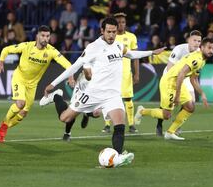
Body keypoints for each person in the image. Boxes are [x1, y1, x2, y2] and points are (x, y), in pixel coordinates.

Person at [40, 17, 165, 166]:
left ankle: (117, 157)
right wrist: (53, 84)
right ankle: (56, 97)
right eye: (109, 32)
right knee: (65, 118)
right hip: (92, 93)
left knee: (120, 124)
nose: (112, 35)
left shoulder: (118, 45)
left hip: (112, 95)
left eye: (114, 32)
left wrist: (152, 52)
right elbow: (74, 66)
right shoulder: (93, 47)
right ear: (102, 31)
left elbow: (131, 54)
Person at [0, 25, 74, 143]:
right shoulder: (27, 46)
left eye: (47, 36)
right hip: (19, 78)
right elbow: (6, 50)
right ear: (37, 36)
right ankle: (4, 126)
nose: (45, 38)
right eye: (43, 36)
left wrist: (71, 76)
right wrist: (1, 62)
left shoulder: (51, 51)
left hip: (32, 85)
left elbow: (68, 65)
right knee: (20, 103)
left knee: (23, 113)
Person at [134, 37, 213, 141]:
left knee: (190, 107)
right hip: (170, 82)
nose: (211, 51)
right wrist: (177, 96)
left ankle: (170, 133)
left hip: (177, 82)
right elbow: (181, 74)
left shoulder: (202, 60)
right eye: (209, 48)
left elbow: (193, 79)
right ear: (202, 47)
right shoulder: (196, 59)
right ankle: (142, 111)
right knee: (166, 115)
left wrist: (202, 94)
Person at [155, 30, 202, 136]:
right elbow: (170, 67)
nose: (196, 43)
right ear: (189, 40)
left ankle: (176, 125)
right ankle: (159, 124)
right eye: (194, 40)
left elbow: (194, 73)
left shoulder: (199, 53)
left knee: (191, 104)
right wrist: (176, 87)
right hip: (170, 76)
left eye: (199, 41)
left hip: (185, 77)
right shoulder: (179, 49)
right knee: (167, 106)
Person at [101, 12, 139, 134]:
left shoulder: (132, 37)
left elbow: (135, 56)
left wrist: (137, 73)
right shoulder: (110, 36)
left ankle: (131, 124)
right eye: (119, 22)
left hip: (126, 74)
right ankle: (107, 124)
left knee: (128, 99)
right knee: (107, 98)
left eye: (123, 22)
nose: (122, 24)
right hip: (110, 74)